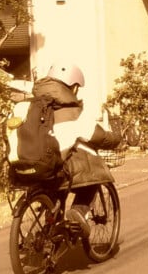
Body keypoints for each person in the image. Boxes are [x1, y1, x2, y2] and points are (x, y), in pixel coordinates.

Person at [32, 63, 121, 237]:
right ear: (72, 87)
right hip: (60, 168)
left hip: (36, 167)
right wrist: (116, 139)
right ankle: (79, 212)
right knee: (93, 180)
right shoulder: (73, 112)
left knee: (55, 197)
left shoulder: (34, 108)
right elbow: (98, 136)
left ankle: (51, 235)